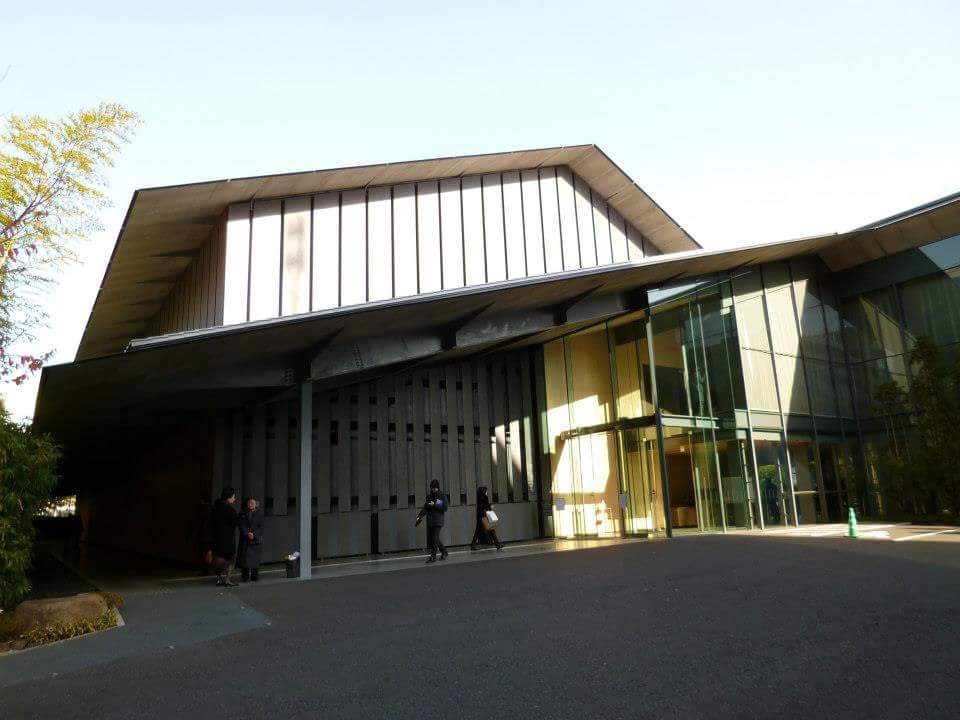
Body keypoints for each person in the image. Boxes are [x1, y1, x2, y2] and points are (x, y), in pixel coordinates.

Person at [210, 486, 240, 587]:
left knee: (217, 559)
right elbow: (237, 521)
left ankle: (218, 579)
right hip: (228, 539)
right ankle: (227, 579)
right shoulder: (230, 510)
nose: (234, 499)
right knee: (231, 560)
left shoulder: (215, 508)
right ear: (228, 497)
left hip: (216, 539)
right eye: (233, 497)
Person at [416, 479, 448, 563]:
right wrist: (419, 517)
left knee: (435, 538)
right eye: (432, 488)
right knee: (434, 538)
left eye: (435, 488)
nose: (433, 489)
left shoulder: (442, 496)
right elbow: (425, 508)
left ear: (438, 487)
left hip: (438, 520)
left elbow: (445, 507)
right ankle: (444, 551)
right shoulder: (429, 497)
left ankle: (433, 556)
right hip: (431, 520)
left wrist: (435, 504)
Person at [237, 497, 264, 582]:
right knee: (244, 559)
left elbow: (261, 527)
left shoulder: (259, 514)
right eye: (249, 503)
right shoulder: (242, 513)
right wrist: (247, 533)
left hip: (256, 540)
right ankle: (245, 576)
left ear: (256, 505)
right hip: (245, 539)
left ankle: (254, 576)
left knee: (255, 560)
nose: (250, 504)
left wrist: (254, 534)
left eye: (252, 503)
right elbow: (241, 525)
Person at [470, 486, 503, 551]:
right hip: (484, 518)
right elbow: (485, 507)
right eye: (486, 491)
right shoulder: (484, 498)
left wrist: (488, 507)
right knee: (491, 530)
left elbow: (482, 507)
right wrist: (490, 507)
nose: (487, 492)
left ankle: (472, 546)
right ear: (483, 492)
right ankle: (498, 545)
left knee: (478, 532)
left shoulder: (479, 498)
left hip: (480, 518)